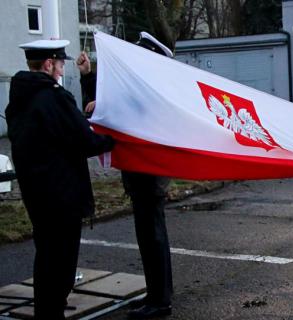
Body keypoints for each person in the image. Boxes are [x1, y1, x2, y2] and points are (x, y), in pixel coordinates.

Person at [5, 39, 115, 319]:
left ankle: (46, 309)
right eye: (60, 63)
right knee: (62, 262)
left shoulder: (20, 95)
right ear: (48, 64)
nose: (61, 68)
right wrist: (114, 139)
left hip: (36, 191)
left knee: (46, 256)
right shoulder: (53, 96)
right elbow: (84, 139)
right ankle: (52, 311)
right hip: (61, 194)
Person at [77, 32, 174, 319]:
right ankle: (157, 293)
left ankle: (160, 300)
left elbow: (122, 113)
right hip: (142, 175)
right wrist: (88, 77)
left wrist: (102, 105)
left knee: (153, 237)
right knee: (149, 237)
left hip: (149, 175)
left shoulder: (151, 91)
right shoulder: (144, 87)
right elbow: (108, 107)